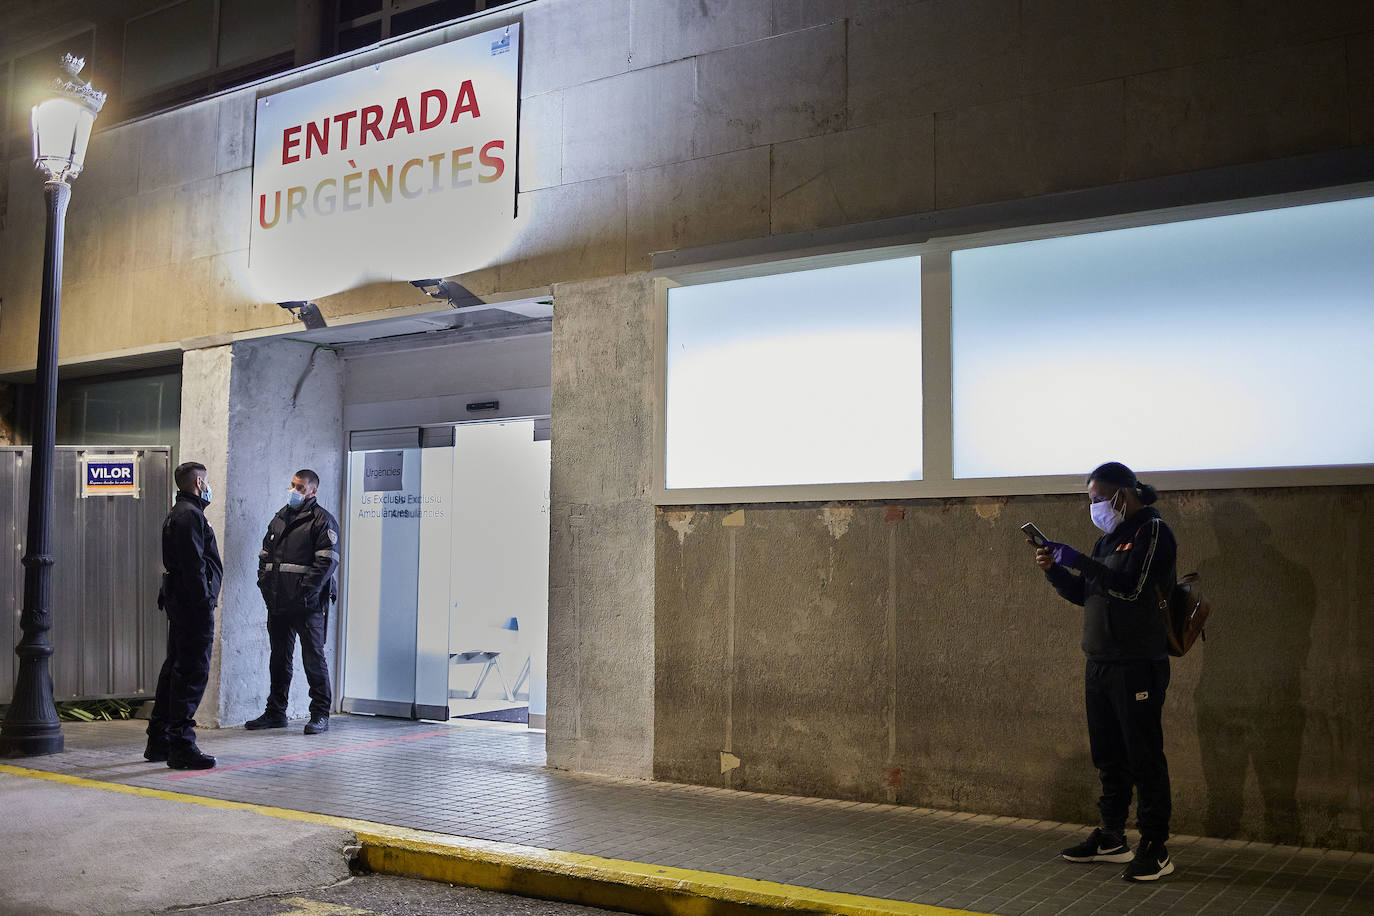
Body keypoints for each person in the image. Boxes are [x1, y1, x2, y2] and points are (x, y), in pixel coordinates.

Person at [1034, 461, 1178, 882]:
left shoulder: (1154, 532)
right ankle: (1112, 836)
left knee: (1144, 756)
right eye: (1091, 499)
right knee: (1109, 756)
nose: (1094, 506)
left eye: (1098, 498)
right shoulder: (1107, 540)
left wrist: (1079, 559)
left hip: (1137, 664)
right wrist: (1057, 571)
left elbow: (1132, 589)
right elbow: (1089, 593)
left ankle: (1156, 844)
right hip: (1099, 663)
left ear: (1123, 493)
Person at [245, 468, 340, 735]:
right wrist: (266, 588)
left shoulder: (322, 521)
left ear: (313, 491)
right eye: (292, 485)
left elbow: (326, 563)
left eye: (300, 487)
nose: (294, 491)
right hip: (278, 603)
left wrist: (303, 593)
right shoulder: (280, 518)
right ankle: (276, 712)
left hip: (308, 606)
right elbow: (264, 558)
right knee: (279, 659)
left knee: (313, 660)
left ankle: (320, 714)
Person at [145, 461, 223, 770]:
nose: (208, 486)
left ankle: (159, 739)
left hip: (181, 601)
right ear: (199, 484)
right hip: (193, 606)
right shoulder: (190, 515)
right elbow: (194, 565)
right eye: (205, 481)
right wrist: (204, 601)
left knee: (174, 670)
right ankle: (181, 746)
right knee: (190, 673)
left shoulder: (180, 513)